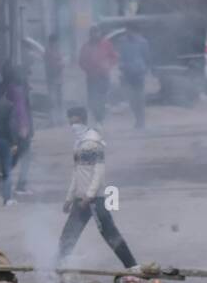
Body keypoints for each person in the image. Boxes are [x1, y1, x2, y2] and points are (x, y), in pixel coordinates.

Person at [58, 106, 137, 268]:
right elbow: (77, 172)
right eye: (70, 121)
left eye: (75, 120)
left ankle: (132, 266)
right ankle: (59, 265)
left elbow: (99, 170)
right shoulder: (79, 143)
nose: (72, 125)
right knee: (69, 234)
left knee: (109, 233)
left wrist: (90, 194)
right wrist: (69, 198)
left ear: (82, 119)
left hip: (95, 199)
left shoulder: (93, 142)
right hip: (81, 199)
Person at [4, 61, 35, 194]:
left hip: (17, 126)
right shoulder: (17, 90)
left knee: (18, 155)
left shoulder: (12, 88)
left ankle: (7, 179)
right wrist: (24, 126)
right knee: (24, 155)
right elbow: (20, 110)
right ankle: (20, 184)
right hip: (20, 126)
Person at [78, 25, 118, 126]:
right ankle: (97, 117)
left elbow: (114, 57)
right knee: (92, 100)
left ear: (100, 33)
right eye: (93, 33)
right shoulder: (86, 46)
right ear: (90, 34)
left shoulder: (106, 44)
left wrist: (108, 65)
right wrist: (88, 69)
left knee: (102, 98)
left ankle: (100, 118)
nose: (95, 35)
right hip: (91, 77)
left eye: (97, 32)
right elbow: (81, 61)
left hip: (103, 76)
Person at [117, 23, 151, 128]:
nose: (128, 33)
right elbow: (121, 56)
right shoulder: (123, 42)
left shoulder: (143, 42)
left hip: (138, 73)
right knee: (131, 98)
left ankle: (141, 120)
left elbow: (147, 57)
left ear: (134, 31)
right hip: (127, 72)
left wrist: (145, 69)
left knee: (139, 97)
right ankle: (137, 118)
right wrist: (121, 66)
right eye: (127, 31)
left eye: (129, 31)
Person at [44, 30, 65, 115]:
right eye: (55, 42)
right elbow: (50, 65)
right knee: (52, 99)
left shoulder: (57, 50)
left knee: (59, 98)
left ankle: (60, 115)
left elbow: (60, 61)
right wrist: (60, 64)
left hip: (58, 78)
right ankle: (53, 117)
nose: (57, 43)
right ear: (52, 42)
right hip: (52, 78)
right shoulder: (48, 52)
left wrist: (62, 64)